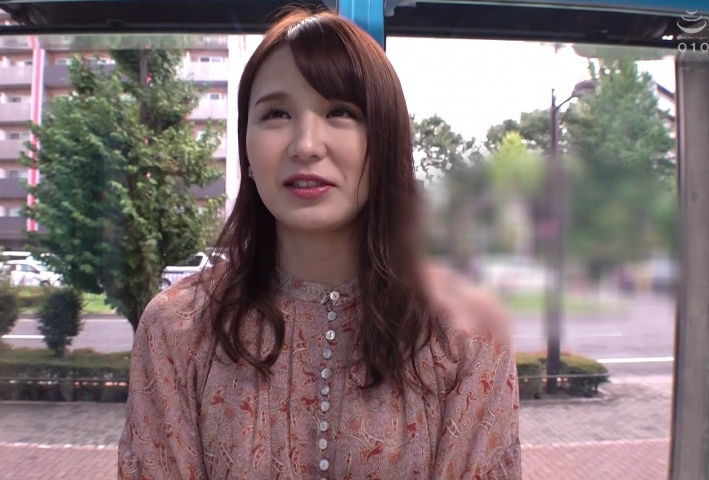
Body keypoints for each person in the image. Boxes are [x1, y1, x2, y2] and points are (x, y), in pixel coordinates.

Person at [118, 7, 521, 479]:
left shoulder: (466, 333)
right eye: (276, 114)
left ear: (385, 141)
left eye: (340, 112)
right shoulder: (177, 329)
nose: (306, 144)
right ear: (246, 149)